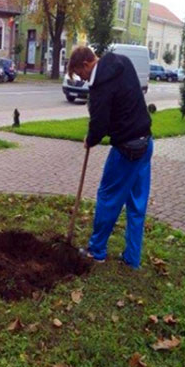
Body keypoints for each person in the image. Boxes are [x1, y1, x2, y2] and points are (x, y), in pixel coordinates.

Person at [67, 46, 153, 269]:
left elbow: (100, 123)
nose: (82, 79)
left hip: (126, 150)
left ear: (87, 64)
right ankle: (132, 258)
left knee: (107, 197)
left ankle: (96, 251)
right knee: (136, 204)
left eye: (80, 73)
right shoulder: (123, 61)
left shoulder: (100, 86)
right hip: (146, 141)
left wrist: (91, 138)